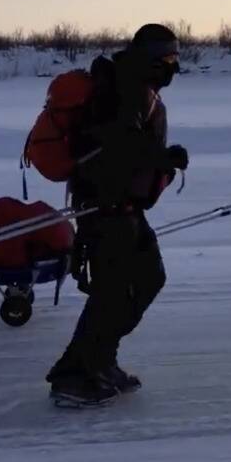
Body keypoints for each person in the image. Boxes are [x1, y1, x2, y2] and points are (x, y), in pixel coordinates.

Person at [45, 23, 189, 407]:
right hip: (105, 211)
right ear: (151, 58)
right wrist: (163, 158)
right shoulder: (123, 89)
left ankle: (99, 360)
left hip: (124, 210)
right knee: (111, 294)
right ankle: (73, 376)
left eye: (176, 57)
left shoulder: (137, 87)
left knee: (147, 279)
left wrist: (160, 160)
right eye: (169, 58)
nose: (174, 67)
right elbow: (116, 146)